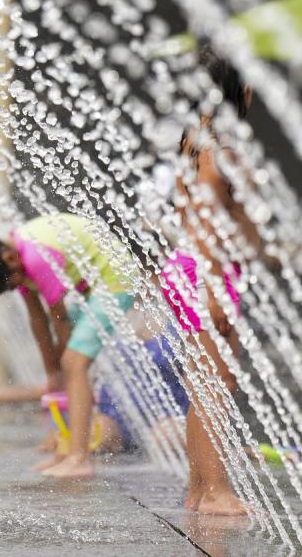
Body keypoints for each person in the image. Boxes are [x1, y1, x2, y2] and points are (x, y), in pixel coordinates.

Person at [162, 45, 260, 516]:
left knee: (206, 388)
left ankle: (200, 491)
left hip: (193, 269)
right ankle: (216, 491)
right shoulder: (217, 151)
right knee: (215, 390)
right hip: (206, 272)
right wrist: (214, 287)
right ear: (244, 93)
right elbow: (205, 221)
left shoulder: (193, 141)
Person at [0, 213, 136, 478]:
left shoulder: (35, 257)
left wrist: (64, 366)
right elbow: (38, 321)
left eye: (12, 284)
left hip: (116, 282)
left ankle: (79, 458)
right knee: (66, 370)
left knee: (74, 363)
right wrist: (52, 374)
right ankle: (65, 451)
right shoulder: (18, 260)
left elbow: (59, 320)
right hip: (93, 288)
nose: (16, 288)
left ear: (9, 259)